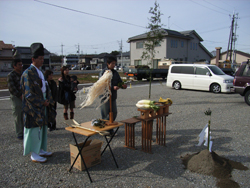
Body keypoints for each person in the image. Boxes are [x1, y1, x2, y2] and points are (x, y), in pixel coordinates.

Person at [21, 43, 54, 163]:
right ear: (33, 59)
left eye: (42, 58)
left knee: (42, 128)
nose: (42, 61)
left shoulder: (39, 72)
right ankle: (34, 153)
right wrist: (42, 102)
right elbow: (28, 94)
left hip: (42, 103)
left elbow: (46, 87)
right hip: (32, 107)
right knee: (34, 129)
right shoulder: (28, 73)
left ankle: (40, 149)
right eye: (39, 59)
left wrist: (48, 101)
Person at [99, 56, 127, 135]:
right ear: (108, 64)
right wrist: (112, 87)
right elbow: (101, 85)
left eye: (115, 63)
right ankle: (105, 130)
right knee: (106, 114)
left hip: (113, 96)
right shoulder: (103, 72)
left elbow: (119, 82)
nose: (114, 65)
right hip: (105, 96)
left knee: (114, 113)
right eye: (113, 63)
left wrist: (122, 86)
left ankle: (110, 129)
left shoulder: (115, 73)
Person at [7, 51, 24, 140]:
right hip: (16, 97)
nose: (21, 66)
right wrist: (20, 95)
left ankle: (24, 131)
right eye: (19, 65)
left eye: (21, 65)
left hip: (23, 96)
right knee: (18, 115)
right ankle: (19, 133)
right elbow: (12, 88)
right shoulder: (11, 75)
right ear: (14, 66)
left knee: (23, 115)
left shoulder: (22, 74)